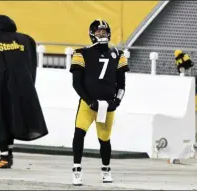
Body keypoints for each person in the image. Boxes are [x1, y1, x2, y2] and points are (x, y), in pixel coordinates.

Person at [0, 14, 48, 169]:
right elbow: (32, 63)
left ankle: (5, 156)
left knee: (0, 120)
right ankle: (7, 155)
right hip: (21, 88)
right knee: (12, 120)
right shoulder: (25, 39)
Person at [69, 19, 130, 185]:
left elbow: (122, 85)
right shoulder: (81, 53)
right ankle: (76, 169)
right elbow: (76, 83)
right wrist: (89, 101)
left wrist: (117, 101)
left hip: (107, 103)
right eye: (98, 32)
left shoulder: (118, 54)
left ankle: (106, 169)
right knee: (79, 134)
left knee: (104, 139)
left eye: (104, 31)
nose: (102, 34)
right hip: (88, 104)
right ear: (92, 34)